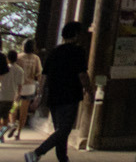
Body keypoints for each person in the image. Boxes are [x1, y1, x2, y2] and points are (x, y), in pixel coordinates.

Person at [23, 21, 91, 162]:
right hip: (70, 94)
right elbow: (82, 74)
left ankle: (63, 159)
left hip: (54, 95)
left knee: (60, 130)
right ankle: (36, 153)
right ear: (77, 35)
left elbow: (44, 76)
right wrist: (89, 89)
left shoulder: (54, 52)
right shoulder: (78, 52)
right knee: (64, 129)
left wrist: (39, 95)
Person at [9, 39, 42, 140]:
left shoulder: (18, 57)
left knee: (13, 108)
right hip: (29, 87)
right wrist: (39, 87)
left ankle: (13, 123)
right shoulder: (36, 58)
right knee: (24, 111)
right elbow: (39, 73)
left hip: (18, 86)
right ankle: (18, 132)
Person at [0, 53, 23, 142]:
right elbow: (20, 86)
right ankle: (1, 137)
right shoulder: (20, 70)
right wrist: (18, 95)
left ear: (7, 58)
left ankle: (0, 130)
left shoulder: (3, 68)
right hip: (11, 96)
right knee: (5, 116)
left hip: (0, 94)